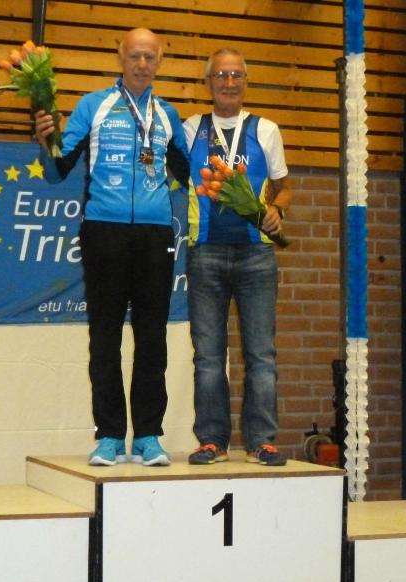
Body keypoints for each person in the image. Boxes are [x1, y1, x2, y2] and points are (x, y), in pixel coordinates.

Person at [34, 28, 189, 467]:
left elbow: (188, 173)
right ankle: (109, 435)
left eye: (150, 57)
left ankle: (148, 436)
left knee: (152, 337)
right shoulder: (93, 106)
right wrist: (46, 141)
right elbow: (57, 171)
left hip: (155, 235)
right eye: (135, 55)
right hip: (104, 231)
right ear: (120, 56)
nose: (142, 64)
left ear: (160, 61)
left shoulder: (167, 114)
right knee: (105, 336)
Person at [184, 48, 292, 466]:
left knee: (261, 355)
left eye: (236, 75)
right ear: (208, 82)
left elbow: (284, 187)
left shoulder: (266, 129)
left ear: (246, 82)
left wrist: (277, 210)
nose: (229, 82)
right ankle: (212, 440)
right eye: (221, 75)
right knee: (209, 357)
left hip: (256, 256)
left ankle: (261, 441)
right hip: (205, 253)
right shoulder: (191, 129)